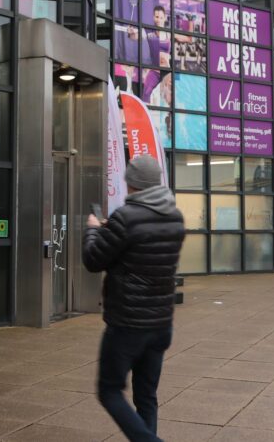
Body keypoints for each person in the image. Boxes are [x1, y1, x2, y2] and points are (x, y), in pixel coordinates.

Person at [83, 155, 185, 442]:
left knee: (109, 390)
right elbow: (143, 253)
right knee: (147, 395)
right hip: (161, 323)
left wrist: (93, 230)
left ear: (134, 185)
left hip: (128, 323)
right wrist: (110, 232)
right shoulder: (175, 217)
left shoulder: (125, 218)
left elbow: (93, 260)